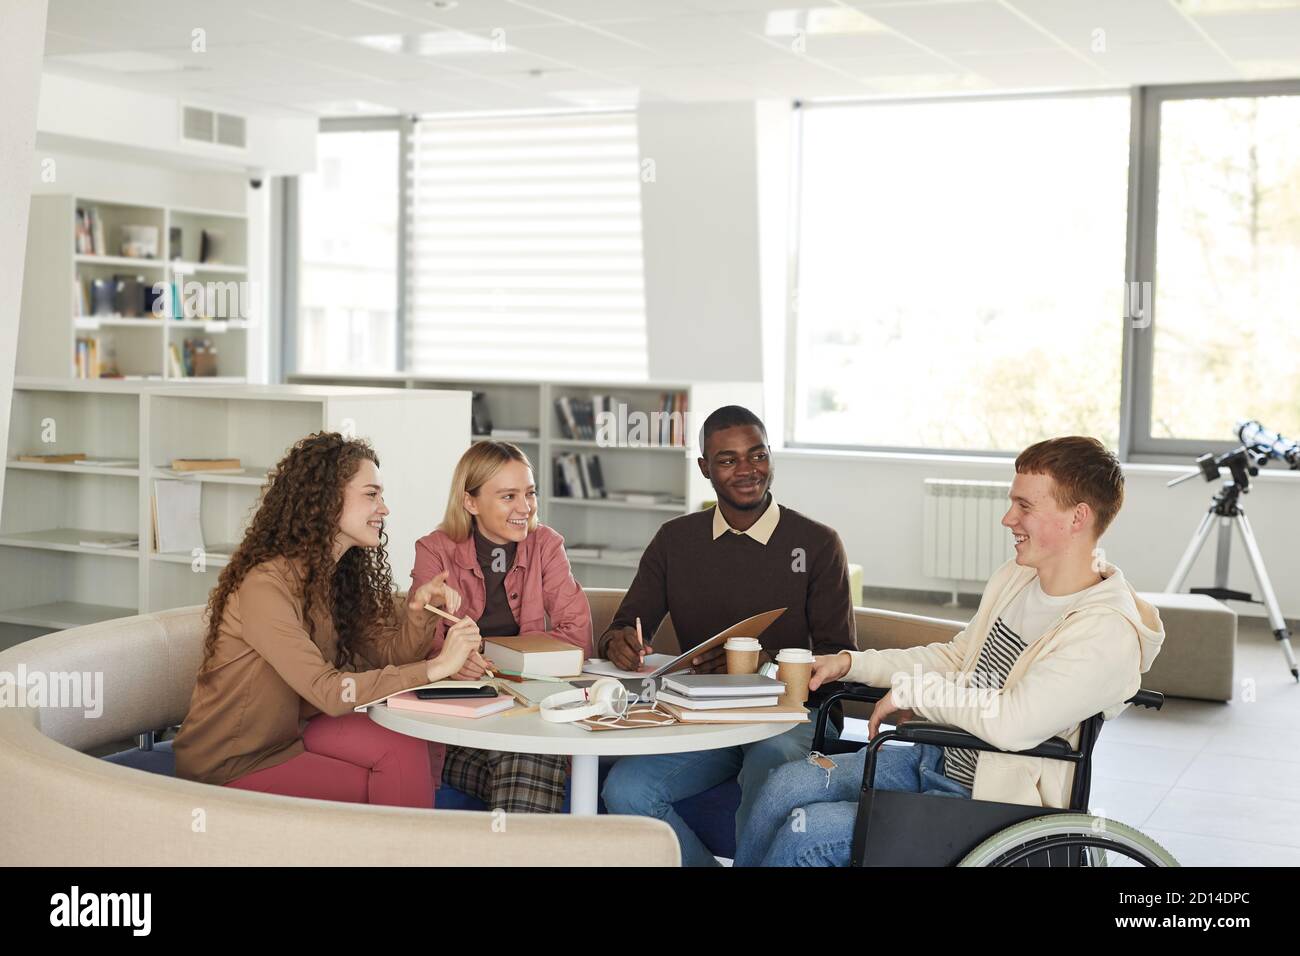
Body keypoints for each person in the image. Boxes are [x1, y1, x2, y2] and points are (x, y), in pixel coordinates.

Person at [735, 436, 1165, 867]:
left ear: (1078, 517)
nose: (1007, 518)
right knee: (784, 787)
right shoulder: (1017, 578)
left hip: (988, 803)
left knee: (805, 838)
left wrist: (914, 694)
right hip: (936, 759)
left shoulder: (1106, 632)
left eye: (1024, 506)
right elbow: (958, 658)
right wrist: (853, 663)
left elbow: (1015, 723)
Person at [598, 405, 856, 866]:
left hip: (793, 715)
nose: (747, 470)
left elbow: (839, 658)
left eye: (757, 456)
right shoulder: (675, 540)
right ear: (704, 468)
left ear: (771, 457)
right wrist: (619, 640)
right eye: (728, 459)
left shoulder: (816, 544)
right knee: (626, 790)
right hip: (706, 716)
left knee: (771, 755)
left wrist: (763, 664)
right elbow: (627, 623)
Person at [175, 432, 479, 807]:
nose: (384, 509)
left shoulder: (335, 577)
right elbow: (330, 693)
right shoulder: (265, 587)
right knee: (386, 780)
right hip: (231, 763)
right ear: (327, 500)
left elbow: (388, 655)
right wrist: (437, 667)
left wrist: (418, 615)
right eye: (371, 495)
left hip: (293, 733)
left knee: (405, 745)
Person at [412, 441, 592, 813]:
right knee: (538, 760)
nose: (524, 508)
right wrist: (451, 662)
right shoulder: (435, 550)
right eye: (508, 496)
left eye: (529, 493)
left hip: (527, 718)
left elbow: (577, 637)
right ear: (471, 502)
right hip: (460, 730)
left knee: (531, 754)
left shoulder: (546, 545)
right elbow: (419, 647)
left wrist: (491, 659)